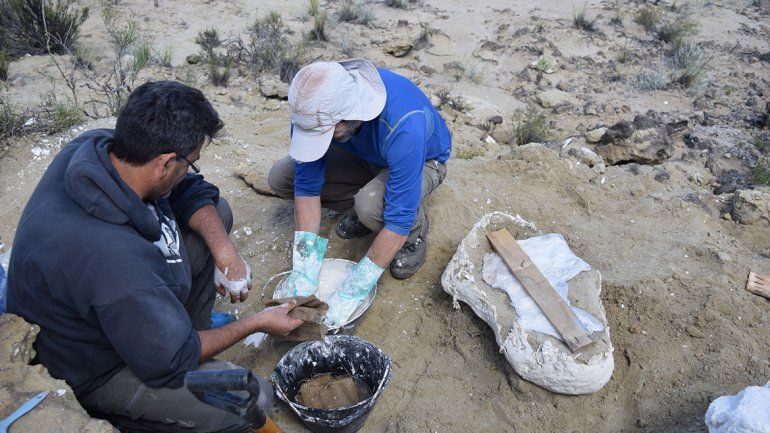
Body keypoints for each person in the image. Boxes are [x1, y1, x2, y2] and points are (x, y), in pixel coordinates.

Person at [7, 81, 303, 433]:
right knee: (250, 399)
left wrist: (225, 252)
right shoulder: (112, 258)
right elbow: (170, 359)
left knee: (213, 215)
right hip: (95, 366)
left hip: (121, 302)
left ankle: (184, 331)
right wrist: (257, 321)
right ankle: (130, 415)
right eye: (189, 162)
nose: (190, 170)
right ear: (164, 164)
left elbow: (192, 190)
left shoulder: (101, 148)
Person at [267, 59, 451, 325]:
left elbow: (397, 222)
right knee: (282, 176)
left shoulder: (405, 125)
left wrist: (353, 289)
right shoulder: (313, 108)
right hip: (368, 155)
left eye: (328, 133)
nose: (322, 138)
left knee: (372, 206)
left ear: (353, 114)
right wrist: (304, 270)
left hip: (423, 161)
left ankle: (416, 233)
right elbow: (306, 185)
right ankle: (369, 197)